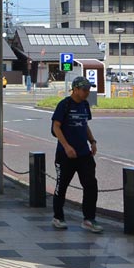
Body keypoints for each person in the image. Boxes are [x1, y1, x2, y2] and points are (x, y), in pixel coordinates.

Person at [50, 76, 101, 233]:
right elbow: (55, 127)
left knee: (91, 185)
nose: (87, 92)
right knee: (62, 185)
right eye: (84, 90)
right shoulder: (64, 105)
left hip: (84, 153)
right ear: (75, 89)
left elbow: (84, 125)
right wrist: (66, 146)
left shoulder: (85, 105)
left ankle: (88, 219)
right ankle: (58, 217)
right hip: (66, 154)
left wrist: (92, 141)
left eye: (89, 89)